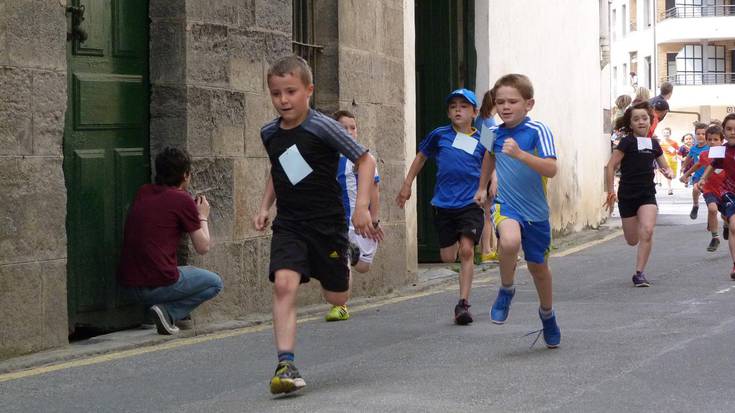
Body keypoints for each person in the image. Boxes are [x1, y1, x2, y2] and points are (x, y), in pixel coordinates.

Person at [253, 55, 380, 395]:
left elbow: (366, 160)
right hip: (291, 224)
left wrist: (362, 208)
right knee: (283, 284)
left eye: (291, 92)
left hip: (327, 225)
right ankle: (285, 362)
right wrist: (265, 206)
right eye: (276, 93)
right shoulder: (269, 133)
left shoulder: (322, 126)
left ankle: (347, 259)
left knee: (336, 295)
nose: (283, 100)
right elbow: (278, 170)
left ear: (308, 90)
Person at [475, 74, 561, 348]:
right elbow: (489, 157)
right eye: (500, 102)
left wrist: (521, 154)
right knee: (509, 241)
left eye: (513, 101)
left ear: (529, 104)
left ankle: (547, 315)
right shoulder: (493, 133)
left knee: (539, 267)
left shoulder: (538, 130)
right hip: (506, 205)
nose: (505, 107)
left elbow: (551, 168)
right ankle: (506, 289)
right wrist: (482, 186)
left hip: (535, 212)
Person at [396, 88, 485, 326]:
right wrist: (407, 185)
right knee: (448, 257)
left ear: (474, 112)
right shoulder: (439, 134)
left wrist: (489, 186)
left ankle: (463, 303)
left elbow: (493, 162)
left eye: (464, 106)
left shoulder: (485, 137)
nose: (458, 109)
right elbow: (421, 157)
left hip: (470, 203)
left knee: (466, 250)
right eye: (453, 106)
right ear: (448, 112)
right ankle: (456, 241)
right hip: (444, 204)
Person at [118, 147, 223, 336]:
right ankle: (169, 312)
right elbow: (203, 247)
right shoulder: (182, 200)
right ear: (185, 175)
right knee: (215, 283)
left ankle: (154, 311)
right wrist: (202, 216)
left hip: (129, 286)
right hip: (158, 285)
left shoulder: (144, 191)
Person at [604, 102, 674, 287]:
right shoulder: (627, 142)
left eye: (644, 118)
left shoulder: (654, 144)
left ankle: (639, 273)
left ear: (650, 121)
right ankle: (637, 257)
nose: (641, 122)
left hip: (647, 194)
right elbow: (611, 166)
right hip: (627, 195)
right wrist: (610, 190)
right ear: (631, 124)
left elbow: (664, 166)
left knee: (648, 231)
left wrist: (669, 173)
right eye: (636, 119)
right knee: (632, 239)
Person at [327, 109, 382, 322]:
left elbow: (374, 189)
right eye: (343, 128)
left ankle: (353, 252)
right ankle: (340, 306)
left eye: (353, 127)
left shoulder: (363, 158)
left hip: (360, 221)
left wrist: (375, 219)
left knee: (363, 267)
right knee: (343, 260)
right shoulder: (328, 159)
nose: (349, 132)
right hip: (337, 223)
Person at [698, 114, 735, 279]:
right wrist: (703, 178)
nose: (733, 132)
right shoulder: (722, 150)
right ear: (724, 132)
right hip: (730, 192)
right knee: (734, 226)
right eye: (729, 129)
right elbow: (713, 165)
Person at [680, 125, 727, 252]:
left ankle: (727, 225)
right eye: (710, 139)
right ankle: (715, 237)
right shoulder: (705, 154)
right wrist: (686, 174)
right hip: (709, 188)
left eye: (716, 139)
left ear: (722, 141)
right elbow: (697, 165)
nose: (712, 142)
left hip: (725, 190)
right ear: (707, 141)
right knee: (712, 209)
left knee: (725, 216)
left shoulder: (727, 154)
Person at [475, 89, 499, 263]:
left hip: (478, 170)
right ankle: (487, 250)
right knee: (488, 213)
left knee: (487, 212)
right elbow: (488, 153)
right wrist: (494, 177)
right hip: (487, 172)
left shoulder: (480, 120)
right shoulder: (489, 124)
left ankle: (488, 249)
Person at [682, 123, 710, 219]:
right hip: (698, 175)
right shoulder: (693, 148)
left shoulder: (710, 147)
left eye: (703, 133)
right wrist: (683, 168)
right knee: (695, 189)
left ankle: (711, 219)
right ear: (695, 136)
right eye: (698, 134)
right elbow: (688, 158)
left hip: (710, 176)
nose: (700, 136)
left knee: (710, 202)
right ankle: (695, 205)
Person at [659, 127, 679, 195]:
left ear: (670, 134)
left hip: (673, 159)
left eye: (667, 133)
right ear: (662, 134)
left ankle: (670, 185)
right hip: (665, 159)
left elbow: (677, 151)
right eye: (664, 133)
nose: (666, 134)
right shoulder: (661, 143)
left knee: (674, 175)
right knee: (669, 174)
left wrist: (676, 157)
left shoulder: (674, 142)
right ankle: (669, 188)